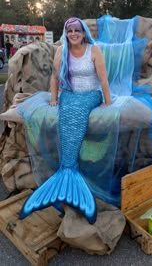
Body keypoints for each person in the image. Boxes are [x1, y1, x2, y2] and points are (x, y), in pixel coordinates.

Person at [19, 17, 111, 223]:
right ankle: (67, 172)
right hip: (69, 93)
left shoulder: (93, 51)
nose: (74, 34)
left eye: (77, 30)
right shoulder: (62, 51)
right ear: (66, 33)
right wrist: (53, 99)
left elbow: (103, 79)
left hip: (90, 94)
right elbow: (54, 77)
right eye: (70, 31)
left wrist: (108, 102)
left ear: (84, 32)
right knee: (66, 113)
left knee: (77, 112)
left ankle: (69, 175)